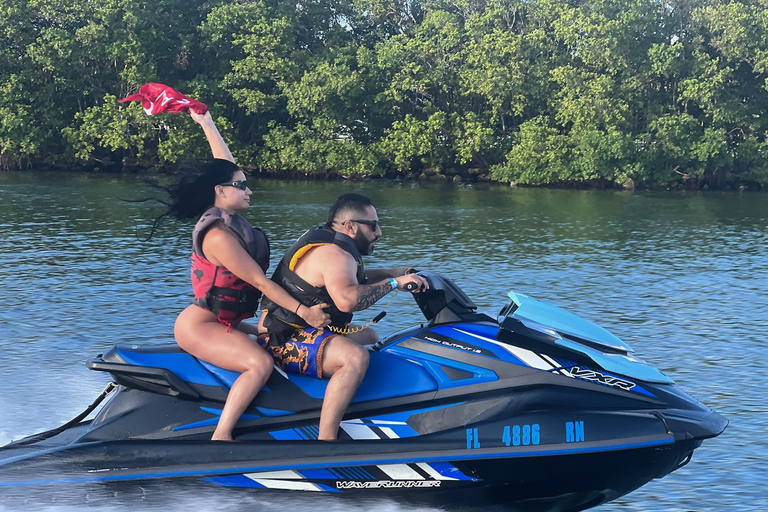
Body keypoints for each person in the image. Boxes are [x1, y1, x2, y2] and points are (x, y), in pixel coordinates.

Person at [150, 110, 330, 441]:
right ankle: (222, 436)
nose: (249, 191)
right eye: (242, 186)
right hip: (201, 325)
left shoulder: (227, 216)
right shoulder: (218, 236)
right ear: (221, 191)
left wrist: (207, 123)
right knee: (259, 363)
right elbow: (261, 283)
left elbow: (225, 167)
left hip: (226, 321)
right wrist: (305, 312)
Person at [258, 193, 429, 440]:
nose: (379, 232)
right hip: (283, 338)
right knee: (355, 357)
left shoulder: (336, 248)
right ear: (350, 226)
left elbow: (350, 277)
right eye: (373, 226)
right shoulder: (334, 253)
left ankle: (358, 409)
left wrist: (394, 272)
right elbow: (348, 301)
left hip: (305, 331)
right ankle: (326, 440)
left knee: (369, 335)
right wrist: (393, 283)